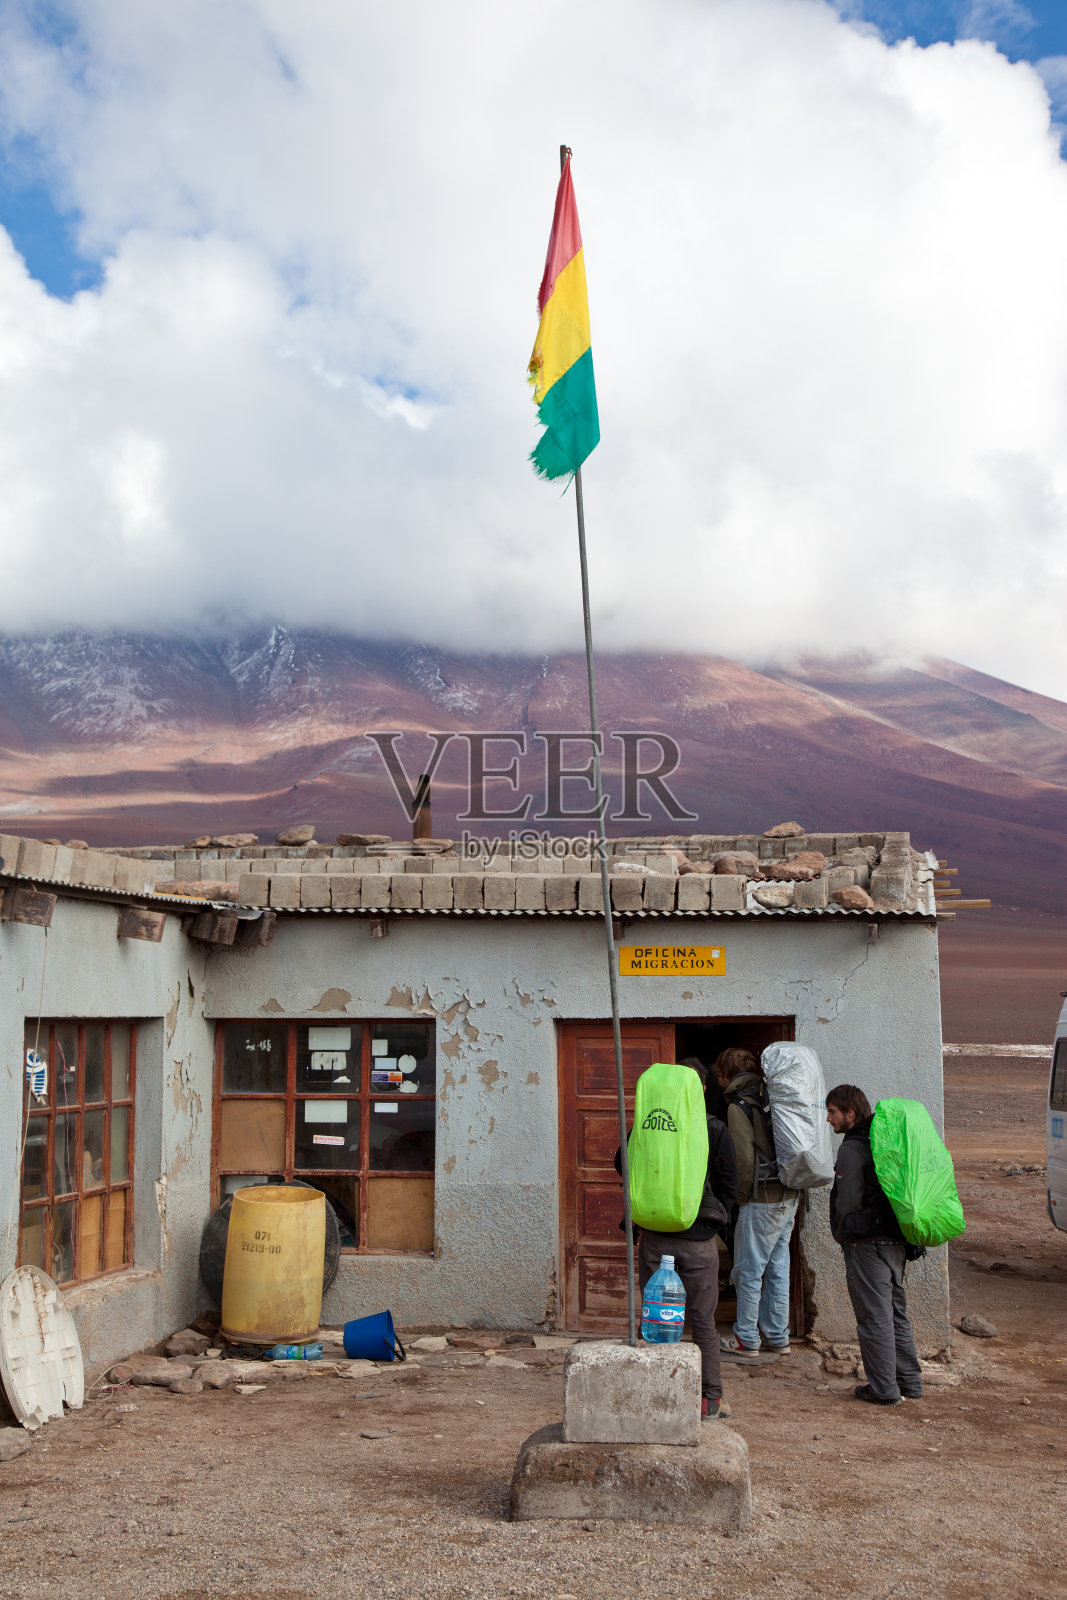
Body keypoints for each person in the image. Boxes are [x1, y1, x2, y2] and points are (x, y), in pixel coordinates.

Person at [616, 1060, 739, 1420]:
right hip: (698, 1241)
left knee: (655, 1318)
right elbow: (731, 1182)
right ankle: (709, 1401)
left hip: (654, 1238)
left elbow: (621, 1165)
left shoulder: (645, 1126)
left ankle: (653, 1396)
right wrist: (715, 1217)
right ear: (700, 1090)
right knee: (703, 1322)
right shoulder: (713, 1128)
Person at [825, 1083, 923, 1405]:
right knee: (895, 1312)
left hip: (867, 1244)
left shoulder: (852, 1148)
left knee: (873, 1318)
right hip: (895, 1241)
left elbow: (848, 1201)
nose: (828, 1119)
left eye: (833, 1112)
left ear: (850, 1113)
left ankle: (882, 1390)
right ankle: (910, 1382)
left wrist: (844, 1235)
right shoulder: (884, 1142)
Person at [715, 1047, 798, 1361]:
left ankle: (746, 1337)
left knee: (747, 1271)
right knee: (777, 1267)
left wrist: (742, 1199)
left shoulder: (740, 1106)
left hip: (761, 1198)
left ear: (726, 1075)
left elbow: (743, 1160)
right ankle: (778, 1335)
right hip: (789, 1194)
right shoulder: (772, 1096)